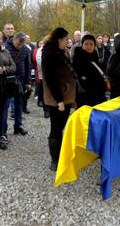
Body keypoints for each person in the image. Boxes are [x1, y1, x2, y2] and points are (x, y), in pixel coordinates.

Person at [42, 28, 76, 171]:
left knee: (61, 126)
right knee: (56, 129)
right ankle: (55, 160)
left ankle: (61, 154)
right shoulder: (49, 53)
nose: (67, 41)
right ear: (58, 39)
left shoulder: (61, 51)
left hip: (65, 95)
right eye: (66, 39)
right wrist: (59, 100)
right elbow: (50, 79)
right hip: (57, 97)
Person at [1, 32, 31, 140]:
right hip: (8, 80)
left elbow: (28, 65)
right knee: (5, 105)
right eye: (18, 44)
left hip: (21, 80)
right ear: (14, 39)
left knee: (19, 105)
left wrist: (28, 82)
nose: (19, 46)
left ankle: (18, 126)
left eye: (21, 45)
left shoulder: (26, 50)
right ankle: (3, 130)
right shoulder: (5, 48)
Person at [72, 35, 108, 107]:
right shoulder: (77, 60)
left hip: (99, 97)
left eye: (91, 44)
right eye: (86, 44)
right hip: (84, 98)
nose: (88, 47)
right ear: (82, 45)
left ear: (94, 45)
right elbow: (80, 80)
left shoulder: (94, 58)